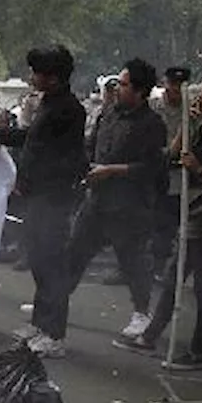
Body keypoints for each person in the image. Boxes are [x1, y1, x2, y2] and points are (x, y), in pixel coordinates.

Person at [115, 70, 202, 370]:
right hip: (193, 211)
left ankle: (190, 349)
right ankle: (155, 338)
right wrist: (186, 125)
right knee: (179, 279)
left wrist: (201, 170)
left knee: (194, 284)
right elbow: (173, 155)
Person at [0, 45, 87, 357]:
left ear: (53, 78)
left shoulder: (69, 110)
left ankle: (54, 334)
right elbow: (31, 139)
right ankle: (41, 323)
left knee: (52, 264)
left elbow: (57, 156)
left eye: (36, 72)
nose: (31, 77)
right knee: (39, 261)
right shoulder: (49, 104)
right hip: (37, 195)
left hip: (53, 198)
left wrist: (33, 177)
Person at [63, 58, 168, 354]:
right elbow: (92, 145)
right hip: (96, 200)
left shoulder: (152, 124)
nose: (117, 88)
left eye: (123, 84)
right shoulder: (108, 113)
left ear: (139, 90)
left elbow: (151, 169)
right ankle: (57, 300)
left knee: (132, 261)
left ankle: (141, 313)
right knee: (75, 251)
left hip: (129, 207)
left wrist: (113, 170)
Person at [151, 66, 190, 286]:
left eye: (179, 86)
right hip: (156, 172)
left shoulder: (190, 111)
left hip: (178, 176)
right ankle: (156, 266)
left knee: (172, 224)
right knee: (156, 224)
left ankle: (172, 269)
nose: (174, 90)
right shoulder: (154, 107)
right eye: (171, 84)